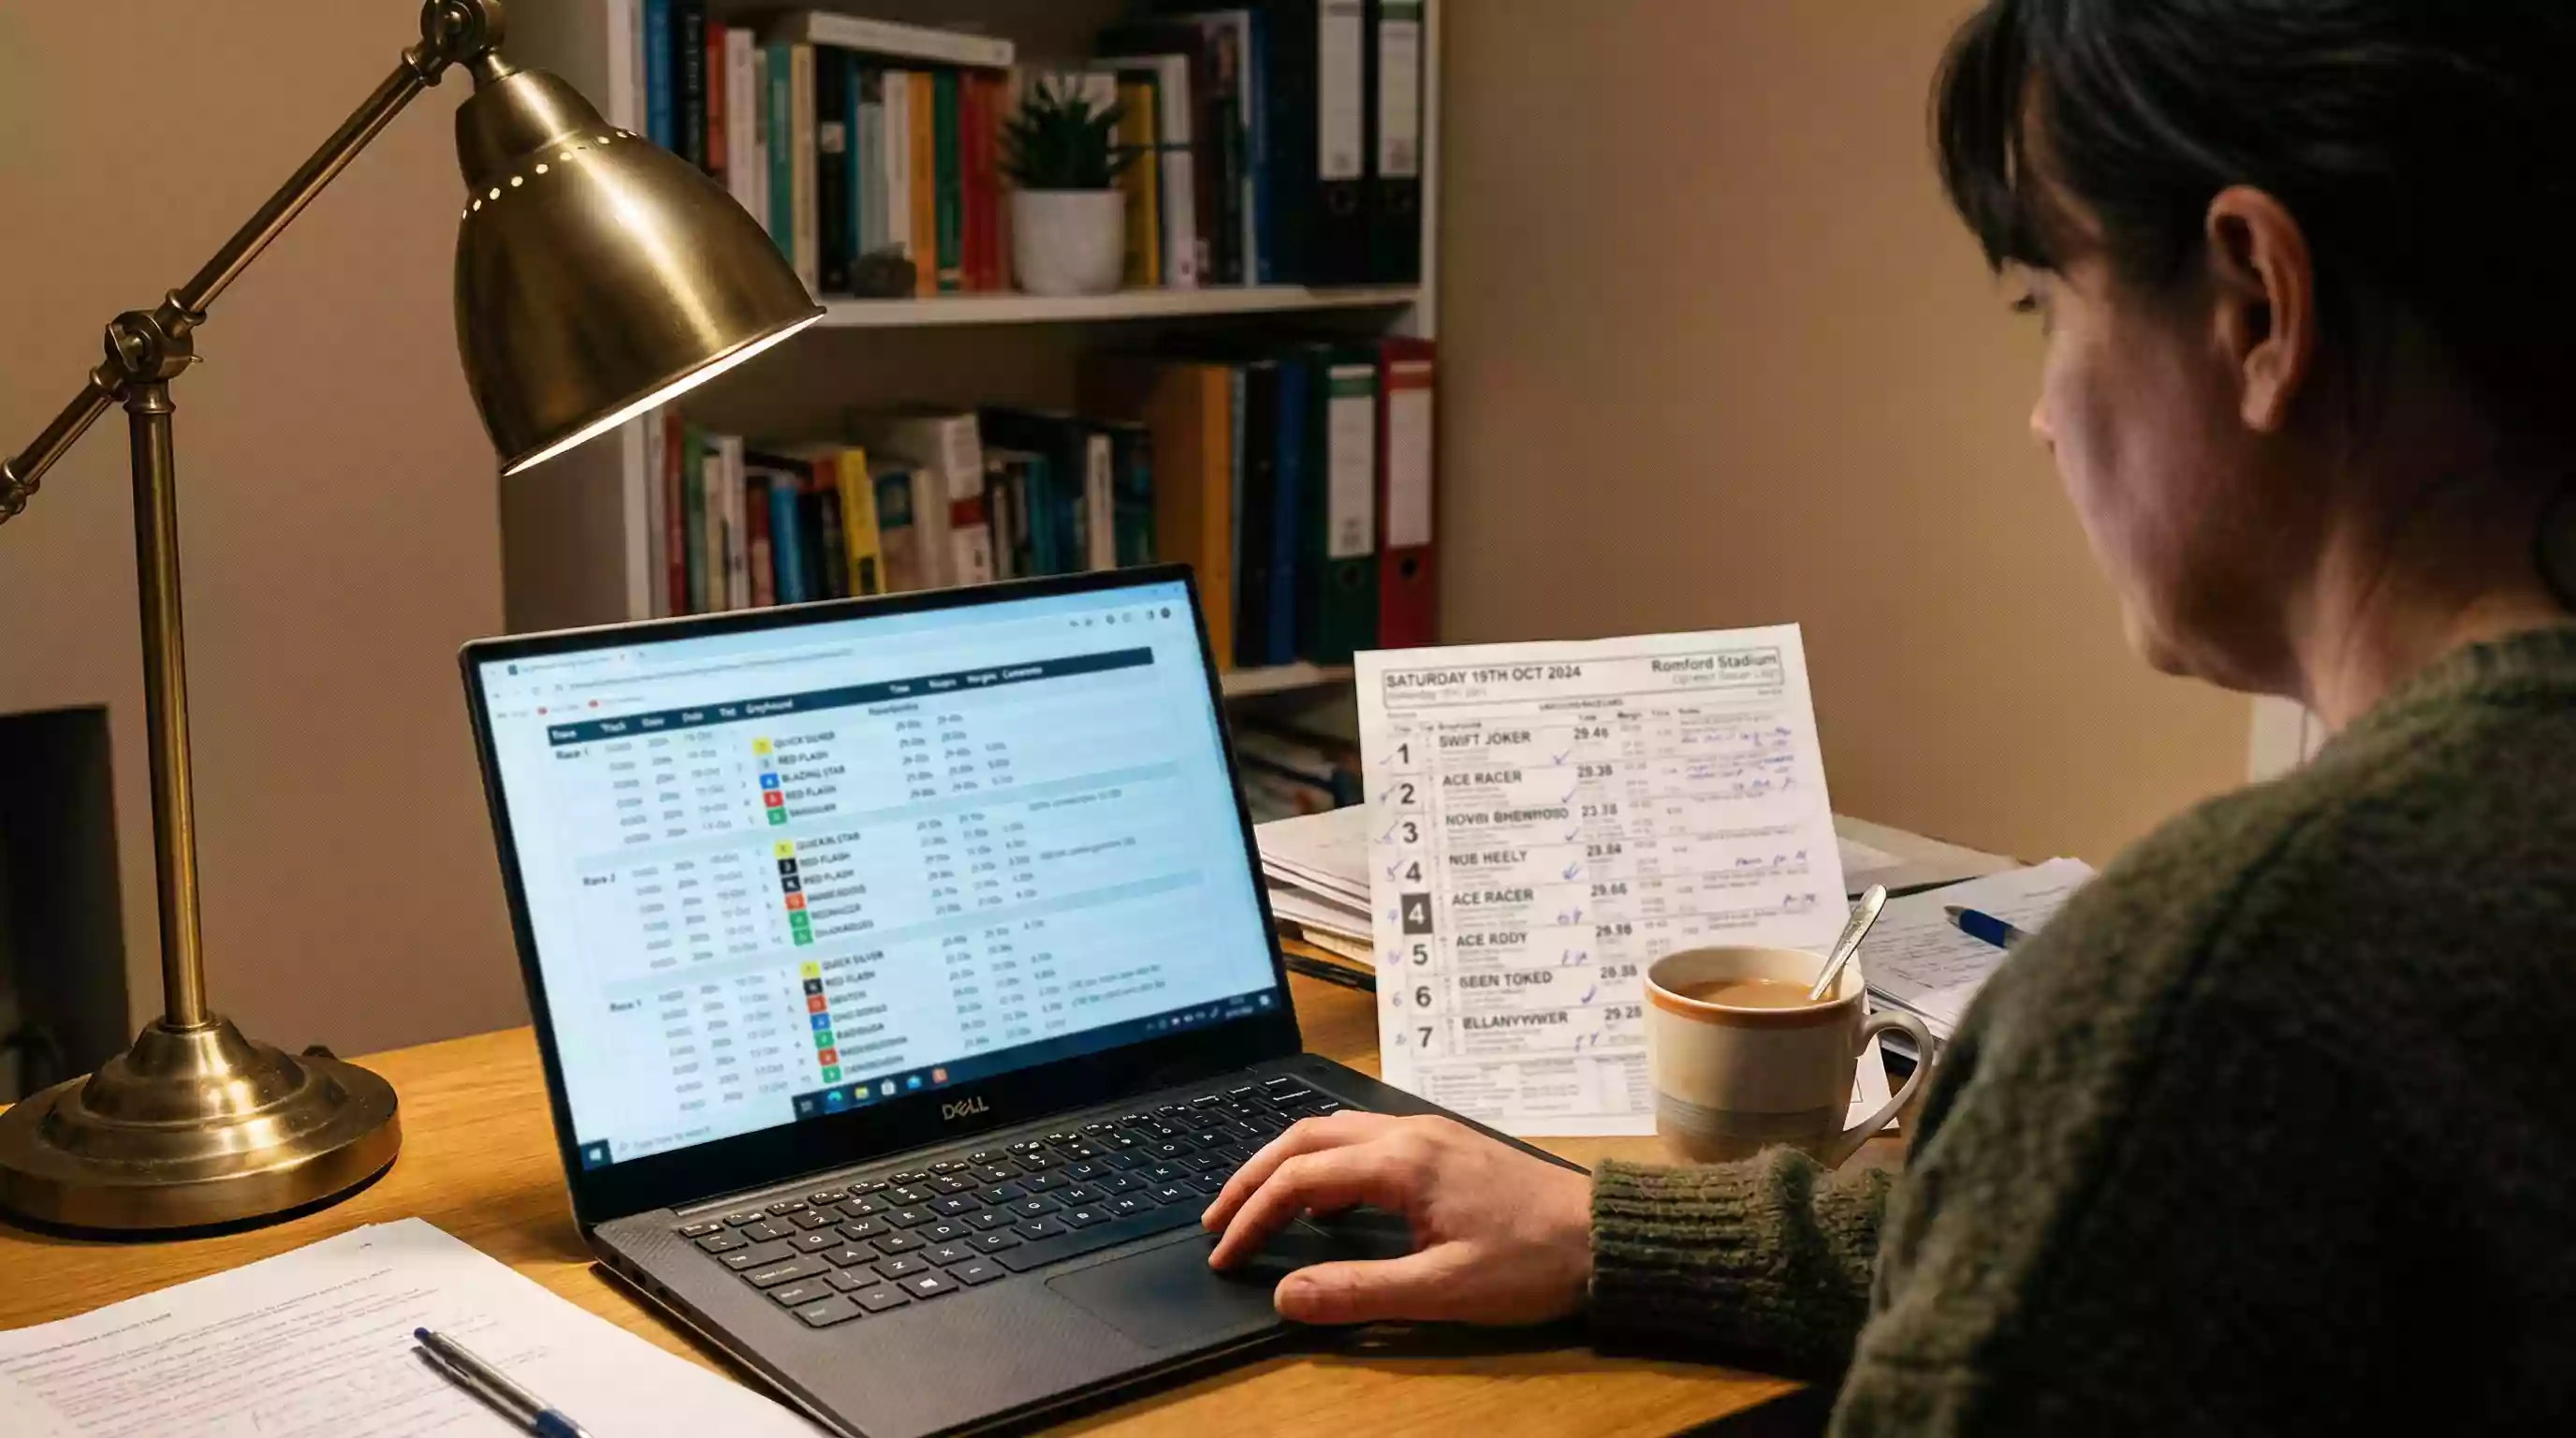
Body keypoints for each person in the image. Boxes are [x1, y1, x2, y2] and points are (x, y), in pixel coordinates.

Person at [1198, 1, 2576, 1429]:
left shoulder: (2216, 983)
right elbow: (2105, 1249)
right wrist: (1605, 1228)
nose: (2044, 418)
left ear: (2258, 309)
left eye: (2048, 307)